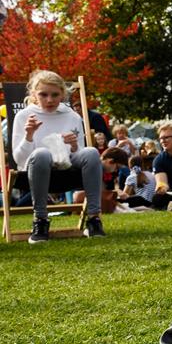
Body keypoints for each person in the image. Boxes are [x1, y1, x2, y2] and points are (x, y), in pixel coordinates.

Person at [10, 70, 105, 242]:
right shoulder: (24, 116)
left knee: (91, 152)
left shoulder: (72, 116)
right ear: (34, 94)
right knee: (42, 153)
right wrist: (29, 135)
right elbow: (20, 160)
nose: (49, 100)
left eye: (55, 95)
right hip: (35, 170)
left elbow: (78, 154)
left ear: (62, 94)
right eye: (43, 94)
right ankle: (40, 220)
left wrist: (74, 146)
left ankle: (94, 219)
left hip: (67, 168)